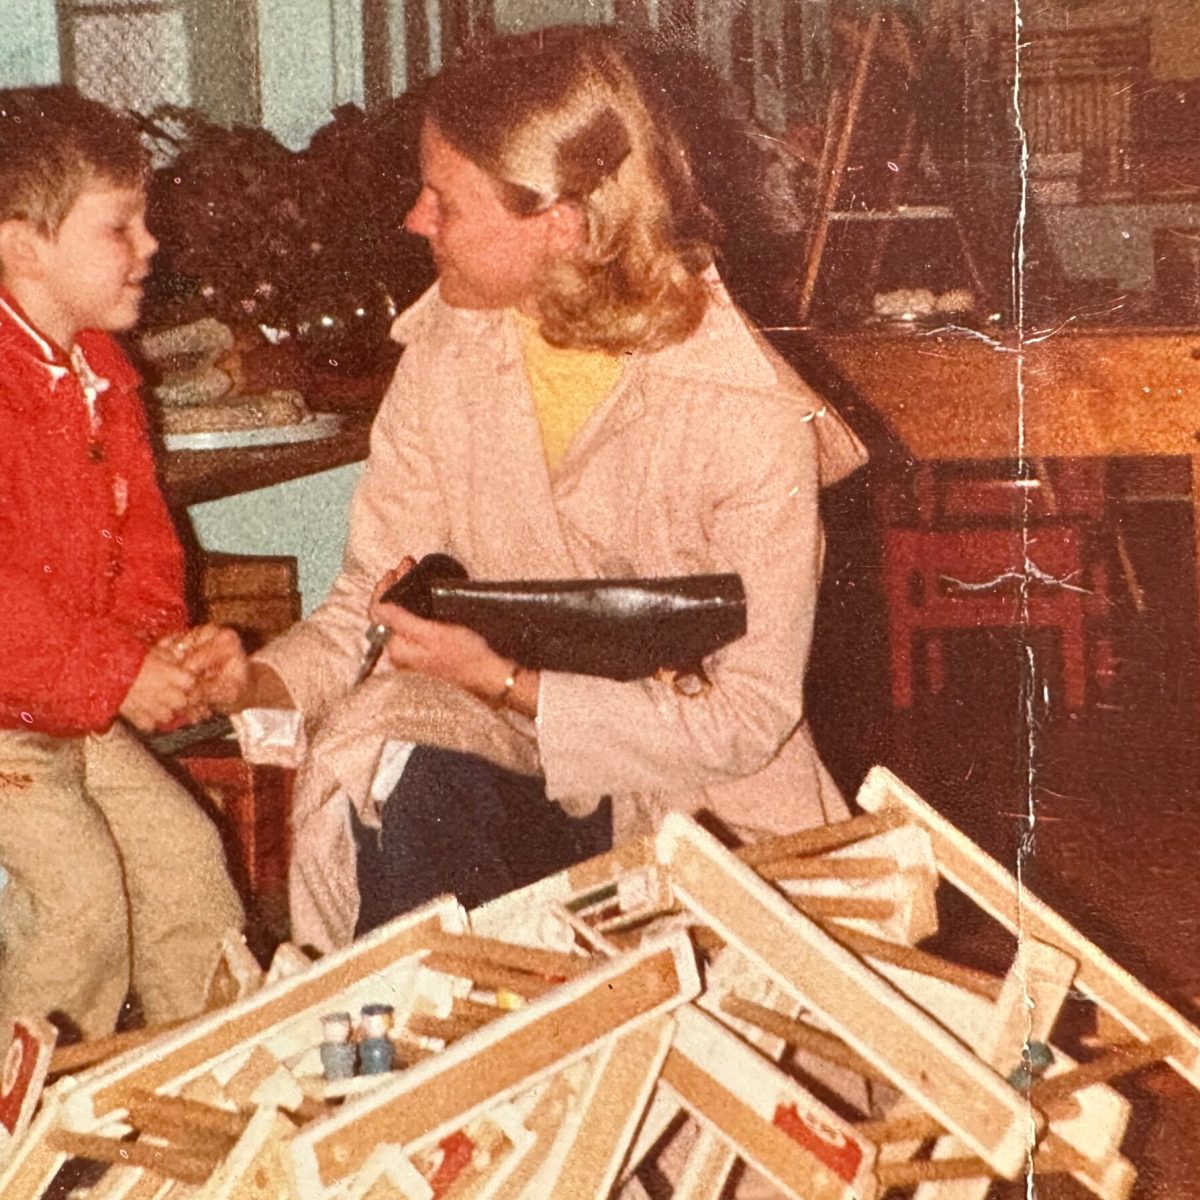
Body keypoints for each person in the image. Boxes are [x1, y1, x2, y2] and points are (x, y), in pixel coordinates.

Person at [213, 26, 866, 959]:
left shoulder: (742, 413)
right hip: (505, 775)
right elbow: (367, 606)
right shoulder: (446, 355)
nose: (414, 221)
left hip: (701, 806)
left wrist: (507, 682)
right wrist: (261, 679)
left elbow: (747, 717)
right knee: (398, 771)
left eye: (445, 199)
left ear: (561, 224)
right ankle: (420, 1066)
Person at [0, 86, 245, 1040]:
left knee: (188, 866)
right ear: (23, 245)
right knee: (79, 908)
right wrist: (115, 672)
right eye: (121, 226)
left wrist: (155, 651)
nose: (149, 246)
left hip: (68, 705)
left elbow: (141, 535)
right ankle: (27, 1149)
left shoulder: (102, 369)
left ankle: (223, 1090)